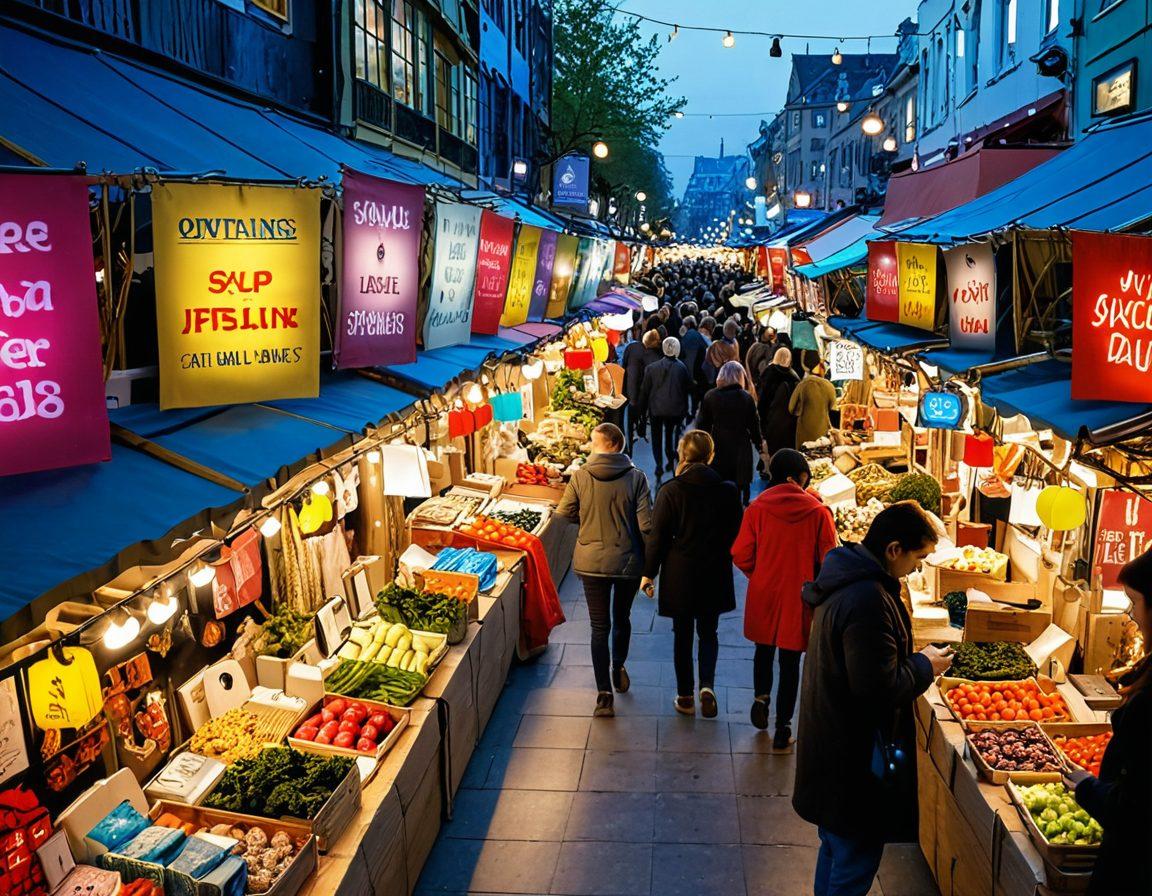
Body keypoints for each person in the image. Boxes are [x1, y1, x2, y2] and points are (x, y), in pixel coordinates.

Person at [793, 502, 955, 896]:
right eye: (919, 557)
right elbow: (877, 688)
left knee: (835, 851)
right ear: (894, 549)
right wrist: (924, 664)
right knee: (852, 863)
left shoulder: (848, 579)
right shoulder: (867, 600)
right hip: (853, 763)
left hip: (831, 752)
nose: (918, 568)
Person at [732, 449, 836, 749]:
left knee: (763, 649)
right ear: (797, 477)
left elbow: (740, 554)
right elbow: (829, 559)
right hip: (799, 596)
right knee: (790, 661)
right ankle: (783, 728)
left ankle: (760, 698)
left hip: (764, 590)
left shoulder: (756, 508)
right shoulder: (818, 513)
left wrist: (760, 573)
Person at [1063, 549, 1151, 895]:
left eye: (1134, 603)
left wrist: (1088, 787)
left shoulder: (1149, 703)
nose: (1132, 616)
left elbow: (1135, 809)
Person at [640, 431, 743, 717]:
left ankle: (685, 696)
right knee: (709, 631)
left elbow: (657, 536)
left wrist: (648, 574)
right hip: (715, 570)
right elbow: (737, 531)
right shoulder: (728, 490)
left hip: (679, 572)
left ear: (682, 455)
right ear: (711, 455)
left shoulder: (671, 490)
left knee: (682, 634)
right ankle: (707, 685)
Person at [555, 423, 653, 718]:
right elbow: (646, 525)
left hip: (591, 562)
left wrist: (584, 522)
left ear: (606, 444)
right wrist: (651, 567)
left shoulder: (581, 476)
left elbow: (562, 513)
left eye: (592, 441)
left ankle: (603, 694)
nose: (589, 446)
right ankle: (618, 665)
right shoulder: (636, 478)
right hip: (627, 562)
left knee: (599, 627)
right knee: (622, 618)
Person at [696, 361, 764, 506]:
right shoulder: (746, 398)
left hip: (718, 445)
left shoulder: (711, 396)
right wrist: (759, 443)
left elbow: (702, 426)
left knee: (720, 483)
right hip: (741, 447)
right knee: (740, 484)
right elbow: (754, 425)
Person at [638, 337, 691, 480]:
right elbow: (687, 390)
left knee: (656, 437)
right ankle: (671, 458)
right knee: (670, 435)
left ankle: (659, 464)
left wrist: (641, 413)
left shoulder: (651, 369)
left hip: (656, 409)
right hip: (675, 410)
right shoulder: (682, 368)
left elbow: (644, 391)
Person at [621, 330, 663, 455]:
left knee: (629, 419)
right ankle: (640, 430)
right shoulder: (657, 355)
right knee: (640, 413)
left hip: (630, 391)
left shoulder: (632, 347)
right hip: (645, 394)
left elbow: (626, 368)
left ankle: (630, 446)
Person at [758, 347, 801, 459]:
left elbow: (762, 400)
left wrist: (762, 424)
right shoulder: (794, 376)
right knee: (787, 453)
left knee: (774, 453)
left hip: (771, 421)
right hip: (789, 423)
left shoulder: (768, 372)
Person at [789, 360, 838, 449]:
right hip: (822, 431)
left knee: (804, 456)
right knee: (820, 458)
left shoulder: (802, 384)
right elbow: (833, 407)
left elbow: (791, 408)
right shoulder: (829, 386)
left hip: (803, 431)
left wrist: (799, 410)